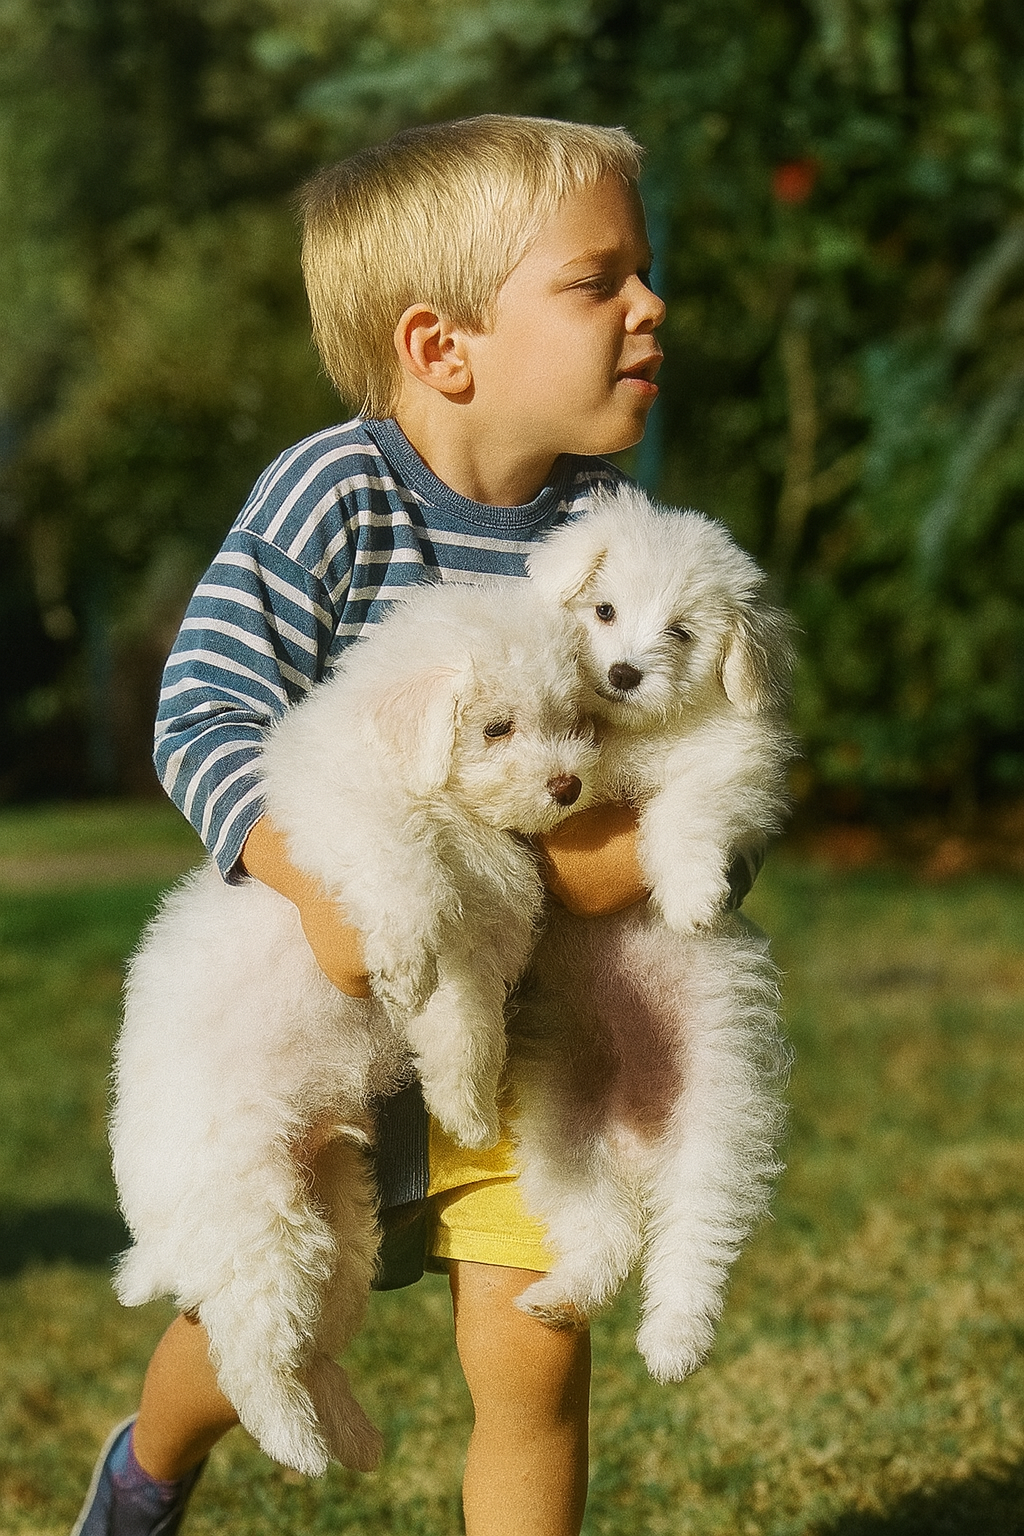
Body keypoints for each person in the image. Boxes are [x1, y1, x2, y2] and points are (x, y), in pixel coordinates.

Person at [72, 111, 709, 1536]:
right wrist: (310, 882)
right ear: (443, 349)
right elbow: (207, 710)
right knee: (268, 1331)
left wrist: (639, 850)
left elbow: (650, 746)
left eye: (643, 272)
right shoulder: (334, 496)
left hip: (513, 1035)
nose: (650, 305)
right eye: (598, 280)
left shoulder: (604, 531)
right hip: (322, 1029)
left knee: (534, 1345)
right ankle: (147, 1468)